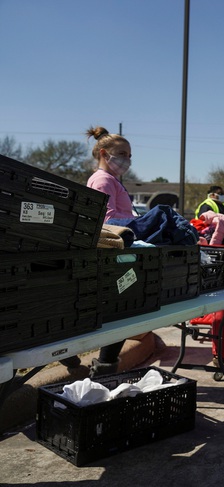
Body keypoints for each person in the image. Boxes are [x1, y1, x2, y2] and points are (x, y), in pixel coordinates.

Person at [60, 126, 137, 377]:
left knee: (119, 310)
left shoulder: (111, 181)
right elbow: (107, 221)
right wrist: (139, 223)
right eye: (122, 154)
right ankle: (97, 364)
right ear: (104, 153)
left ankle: (100, 365)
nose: (127, 159)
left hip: (116, 255)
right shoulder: (103, 180)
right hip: (111, 256)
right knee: (119, 310)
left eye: (129, 155)